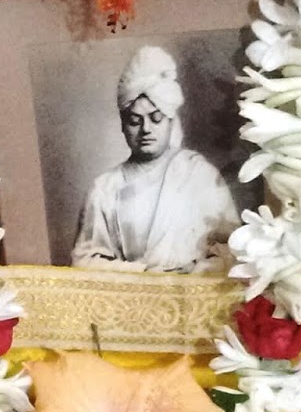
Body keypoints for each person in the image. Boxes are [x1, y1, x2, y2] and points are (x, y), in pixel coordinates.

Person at [71, 45, 240, 272]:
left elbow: (235, 250)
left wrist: (194, 272)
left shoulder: (200, 175)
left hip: (192, 290)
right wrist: (140, 273)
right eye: (135, 121)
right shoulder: (105, 188)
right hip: (131, 292)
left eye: (156, 118)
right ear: (123, 125)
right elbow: (84, 262)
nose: (146, 129)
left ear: (171, 121)